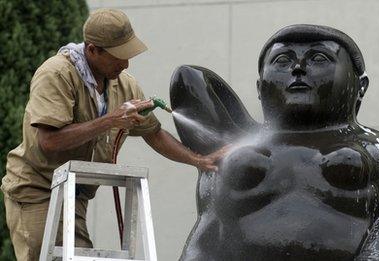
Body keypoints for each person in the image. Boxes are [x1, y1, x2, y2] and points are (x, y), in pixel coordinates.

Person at [169, 24, 379, 260]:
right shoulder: (232, 142)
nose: (298, 68)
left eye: (318, 58)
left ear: (360, 86)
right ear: (259, 88)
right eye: (282, 60)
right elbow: (188, 79)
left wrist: (378, 254)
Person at [1, 8, 226, 261]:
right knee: (50, 256)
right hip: (37, 190)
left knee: (80, 257)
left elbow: (153, 133)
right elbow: (49, 142)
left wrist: (199, 160)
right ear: (92, 49)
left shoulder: (125, 84)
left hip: (75, 194)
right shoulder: (56, 74)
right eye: (118, 56)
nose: (126, 63)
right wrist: (111, 119)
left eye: (128, 54)